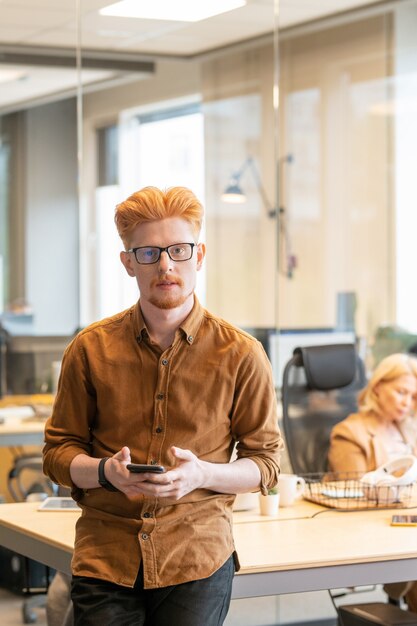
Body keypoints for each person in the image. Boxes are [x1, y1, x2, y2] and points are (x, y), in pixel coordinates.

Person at [42, 185, 283, 626]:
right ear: (128, 262)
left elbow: (265, 463)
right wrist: (104, 473)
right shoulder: (89, 349)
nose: (167, 265)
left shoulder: (241, 354)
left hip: (197, 553)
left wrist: (203, 475)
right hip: (106, 552)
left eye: (178, 249)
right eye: (149, 253)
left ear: (200, 254)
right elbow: (58, 454)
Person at [328, 352, 417, 610]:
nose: (407, 403)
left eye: (412, 397)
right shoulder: (350, 432)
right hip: (381, 532)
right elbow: (359, 495)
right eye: (401, 392)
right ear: (377, 387)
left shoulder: (407, 429)